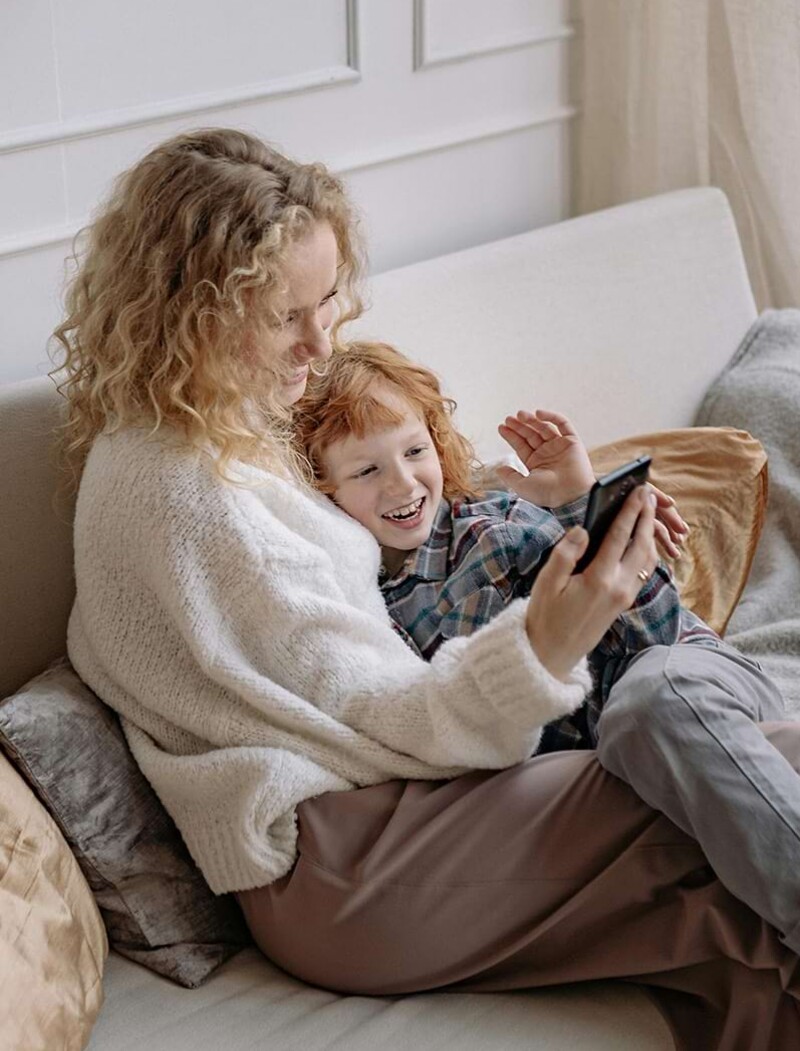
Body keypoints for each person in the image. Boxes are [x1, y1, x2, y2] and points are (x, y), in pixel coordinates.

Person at [52, 126, 800, 1050]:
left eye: (327, 302)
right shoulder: (184, 493)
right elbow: (397, 714)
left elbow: (389, 548)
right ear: (192, 308)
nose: (319, 342)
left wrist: (550, 505)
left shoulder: (220, 430)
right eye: (285, 315)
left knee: (736, 910)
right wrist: (548, 641)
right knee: (718, 755)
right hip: (346, 860)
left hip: (365, 842)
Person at [294, 338, 722, 752]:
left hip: (681, 673)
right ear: (321, 488)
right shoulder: (357, 600)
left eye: (415, 451)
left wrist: (590, 509)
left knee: (652, 708)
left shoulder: (496, 530)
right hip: (595, 747)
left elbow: (655, 637)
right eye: (367, 470)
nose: (403, 483)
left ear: (438, 444)